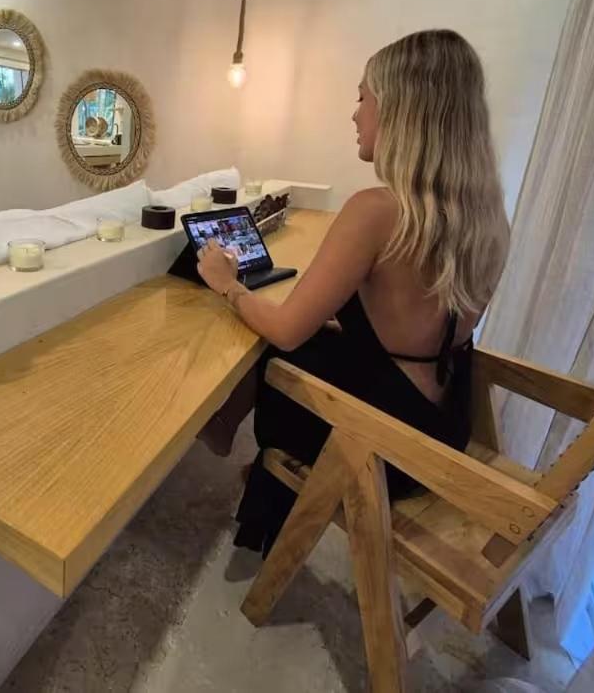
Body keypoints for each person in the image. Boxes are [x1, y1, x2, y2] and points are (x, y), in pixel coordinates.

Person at [195, 29, 510, 555]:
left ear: (401, 112)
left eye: (363, 97)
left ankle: (227, 431)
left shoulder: (376, 211)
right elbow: (413, 323)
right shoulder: (488, 217)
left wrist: (227, 285)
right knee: (316, 331)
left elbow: (286, 331)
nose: (355, 114)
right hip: (444, 424)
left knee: (273, 344)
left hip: (380, 443)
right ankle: (236, 443)